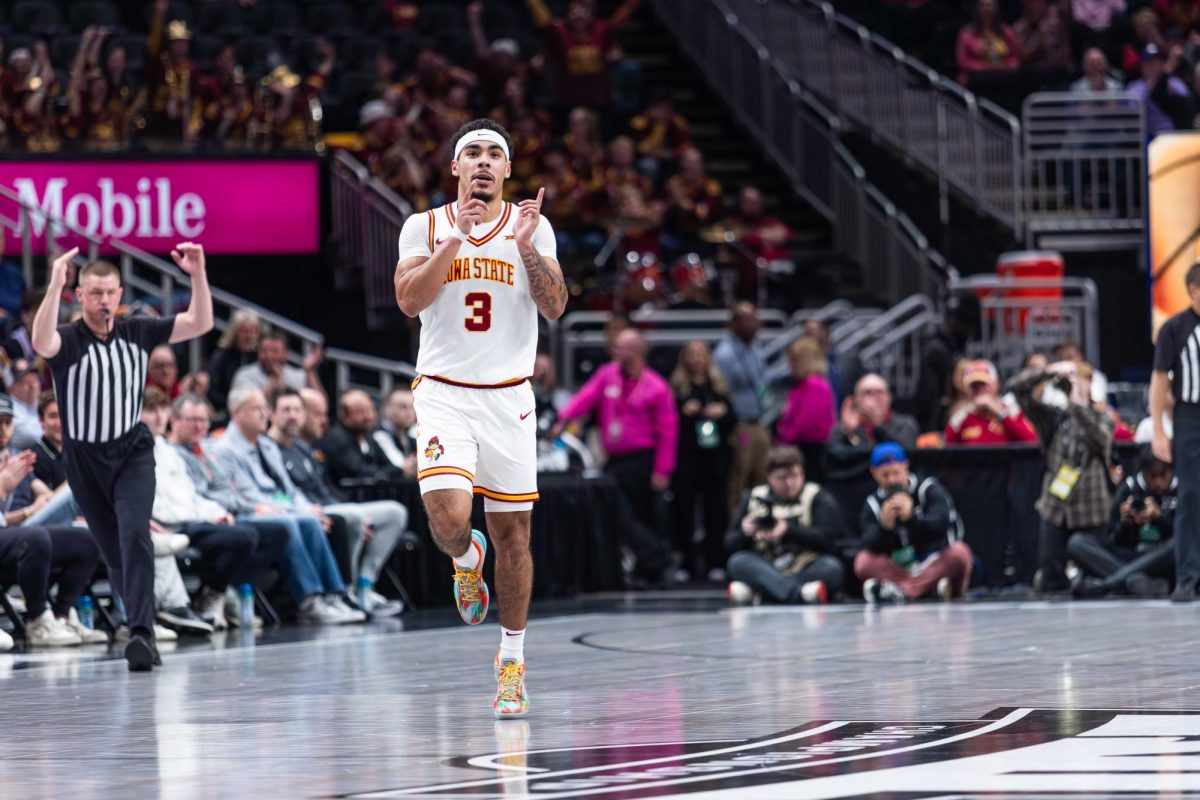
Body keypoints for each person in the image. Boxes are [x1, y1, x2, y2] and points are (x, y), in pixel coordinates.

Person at [393, 118, 568, 717]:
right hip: (444, 392)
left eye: (497, 152)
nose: (486, 161)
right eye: (474, 152)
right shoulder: (426, 224)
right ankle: (466, 562)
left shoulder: (534, 228)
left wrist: (522, 245)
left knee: (514, 536)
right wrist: (454, 241)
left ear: (509, 170)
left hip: (509, 397)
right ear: (456, 168)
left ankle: (512, 662)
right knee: (448, 520)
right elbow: (409, 301)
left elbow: (556, 306)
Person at [30, 242, 213, 671]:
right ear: (81, 297)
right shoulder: (70, 339)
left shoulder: (137, 330)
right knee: (114, 552)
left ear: (120, 294)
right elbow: (41, 340)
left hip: (131, 451)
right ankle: (138, 620)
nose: (104, 301)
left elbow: (200, 321)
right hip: (84, 460)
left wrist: (198, 274)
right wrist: (54, 284)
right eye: (94, 293)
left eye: (110, 292)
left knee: (135, 535)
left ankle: (142, 634)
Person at [167, 394, 358, 625]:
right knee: (285, 523)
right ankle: (308, 600)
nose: (199, 426)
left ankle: (333, 594)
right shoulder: (177, 454)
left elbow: (230, 492)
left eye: (204, 421)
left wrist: (284, 508)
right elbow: (203, 497)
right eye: (192, 420)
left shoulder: (208, 453)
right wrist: (259, 508)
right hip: (206, 519)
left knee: (304, 522)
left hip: (233, 511)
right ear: (175, 420)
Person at [141, 387, 288, 630]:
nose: (158, 417)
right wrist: (204, 515)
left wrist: (216, 513)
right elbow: (160, 508)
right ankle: (215, 593)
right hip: (172, 526)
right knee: (244, 537)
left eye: (161, 410)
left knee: (277, 532)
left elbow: (192, 496)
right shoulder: (141, 452)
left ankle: (218, 590)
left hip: (196, 520)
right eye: (150, 411)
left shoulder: (166, 451)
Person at [273, 388, 408, 617]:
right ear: (272, 413)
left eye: (297, 410)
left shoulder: (303, 449)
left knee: (396, 512)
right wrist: (304, 509)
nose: (294, 415)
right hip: (306, 510)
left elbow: (327, 490)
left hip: (329, 505)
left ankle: (364, 583)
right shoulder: (271, 449)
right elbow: (281, 493)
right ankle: (346, 589)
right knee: (352, 517)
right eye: (286, 410)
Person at [0, 393, 106, 647]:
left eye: (6, 422)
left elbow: (45, 496)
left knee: (88, 540)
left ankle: (61, 616)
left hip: (13, 534)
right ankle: (37, 619)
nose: (2, 430)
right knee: (35, 537)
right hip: (17, 534)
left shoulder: (13, 459)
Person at [559, 328, 679, 535]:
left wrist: (662, 470)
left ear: (635, 351)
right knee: (613, 511)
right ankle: (654, 560)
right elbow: (585, 398)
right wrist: (563, 418)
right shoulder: (607, 374)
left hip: (642, 461)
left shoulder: (655, 386)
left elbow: (668, 431)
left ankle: (658, 562)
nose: (613, 350)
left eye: (619, 347)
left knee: (641, 514)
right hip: (615, 459)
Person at [1009, 360, 1114, 594]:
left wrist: (1078, 403)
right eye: (1072, 379)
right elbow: (1017, 388)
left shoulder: (1102, 418)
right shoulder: (1054, 418)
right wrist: (1047, 372)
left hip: (1091, 509)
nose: (1075, 383)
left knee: (1091, 581)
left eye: (1081, 379)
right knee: (1050, 580)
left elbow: (1101, 440)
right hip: (1055, 507)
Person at [726, 446, 844, 605]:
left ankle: (764, 592)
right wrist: (745, 532)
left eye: (794, 476)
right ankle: (799, 594)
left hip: (804, 565)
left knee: (832, 567)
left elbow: (828, 540)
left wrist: (788, 531)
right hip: (765, 565)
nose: (789, 483)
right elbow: (729, 543)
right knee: (737, 562)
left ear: (802, 472)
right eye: (781, 478)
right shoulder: (754, 497)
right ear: (768, 476)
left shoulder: (817, 496)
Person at [855, 443, 973, 602]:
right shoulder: (873, 504)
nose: (892, 480)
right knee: (862, 562)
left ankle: (904, 590)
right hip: (899, 567)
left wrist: (912, 519)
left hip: (932, 561)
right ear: (873, 473)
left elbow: (942, 526)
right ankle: (928, 589)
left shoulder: (927, 489)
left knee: (960, 553)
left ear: (906, 466)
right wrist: (885, 527)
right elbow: (868, 544)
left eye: (896, 473)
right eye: (885, 475)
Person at [1150, 260, 1200, 601]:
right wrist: (1158, 429)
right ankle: (1188, 576)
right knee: (1191, 495)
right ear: (1194, 290)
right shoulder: (1175, 328)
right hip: (1190, 415)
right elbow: (1159, 380)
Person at [1069, 447, 1177, 598]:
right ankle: (1138, 583)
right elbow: (1111, 539)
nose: (1158, 482)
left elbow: (1186, 538)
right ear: (1143, 472)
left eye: (1163, 475)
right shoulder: (1129, 488)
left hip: (1161, 560)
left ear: (1172, 471)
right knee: (1077, 542)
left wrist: (1159, 519)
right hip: (1129, 555)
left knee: (1177, 546)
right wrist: (1125, 523)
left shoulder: (1182, 490)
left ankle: (1109, 584)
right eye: (1152, 476)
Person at [670, 341, 734, 581]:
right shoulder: (677, 388)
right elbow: (669, 420)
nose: (696, 359)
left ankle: (716, 561)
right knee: (684, 511)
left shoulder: (718, 386)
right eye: (691, 354)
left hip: (715, 458)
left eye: (700, 354)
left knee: (716, 512)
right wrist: (684, 411)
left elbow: (733, 420)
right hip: (687, 458)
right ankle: (686, 563)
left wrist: (722, 412)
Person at [713, 302, 773, 512]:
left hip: (759, 422)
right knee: (738, 482)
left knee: (763, 480)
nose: (753, 325)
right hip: (740, 426)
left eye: (755, 319)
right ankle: (737, 532)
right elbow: (720, 390)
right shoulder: (725, 354)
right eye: (747, 320)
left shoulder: (755, 347)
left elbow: (762, 380)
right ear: (733, 323)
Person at [313, 389, 406, 486]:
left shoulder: (368, 436)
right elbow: (358, 471)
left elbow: (386, 463)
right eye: (361, 412)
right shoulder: (336, 439)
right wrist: (398, 471)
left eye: (371, 410)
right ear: (345, 415)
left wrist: (398, 470)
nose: (368, 417)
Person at [775, 337, 836, 477]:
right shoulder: (804, 384)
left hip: (808, 451)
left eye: (794, 360)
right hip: (801, 448)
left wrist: (783, 441)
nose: (790, 365)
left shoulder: (814, 385)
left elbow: (803, 424)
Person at [944, 360, 1038, 445]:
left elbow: (1032, 440)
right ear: (967, 390)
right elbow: (948, 451)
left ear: (996, 384)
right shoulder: (959, 419)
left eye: (983, 384)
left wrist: (1001, 414)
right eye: (974, 386)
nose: (979, 390)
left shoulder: (1012, 410)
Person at [229, 331, 324, 399]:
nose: (269, 356)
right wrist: (274, 379)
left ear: (286, 354)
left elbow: (320, 403)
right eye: (264, 351)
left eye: (274, 351)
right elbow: (250, 408)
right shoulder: (244, 375)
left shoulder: (297, 375)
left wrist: (310, 371)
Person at [206, 309, 260, 415]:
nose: (249, 336)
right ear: (234, 333)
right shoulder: (221, 357)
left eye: (252, 331)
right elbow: (213, 391)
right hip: (227, 412)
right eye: (244, 331)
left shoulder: (259, 357)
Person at [956, 0, 1020, 84]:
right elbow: (963, 62)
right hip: (976, 78)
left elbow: (1016, 58)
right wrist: (985, 66)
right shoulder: (967, 33)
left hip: (1004, 76)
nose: (987, 9)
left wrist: (1003, 66)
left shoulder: (1006, 32)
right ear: (977, 8)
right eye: (984, 5)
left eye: (990, 5)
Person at [372, 386, 418, 477]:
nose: (410, 412)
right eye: (403, 407)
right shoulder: (379, 435)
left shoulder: (409, 436)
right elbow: (402, 467)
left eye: (412, 407)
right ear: (387, 408)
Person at [8, 361, 43, 449]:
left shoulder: (33, 405)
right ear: (12, 386)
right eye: (28, 383)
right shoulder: (9, 408)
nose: (34, 387)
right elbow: (34, 436)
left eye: (35, 381)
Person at [32, 391, 64, 489]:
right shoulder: (36, 457)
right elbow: (49, 502)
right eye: (53, 416)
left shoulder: (74, 450)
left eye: (63, 415)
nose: (59, 422)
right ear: (41, 421)